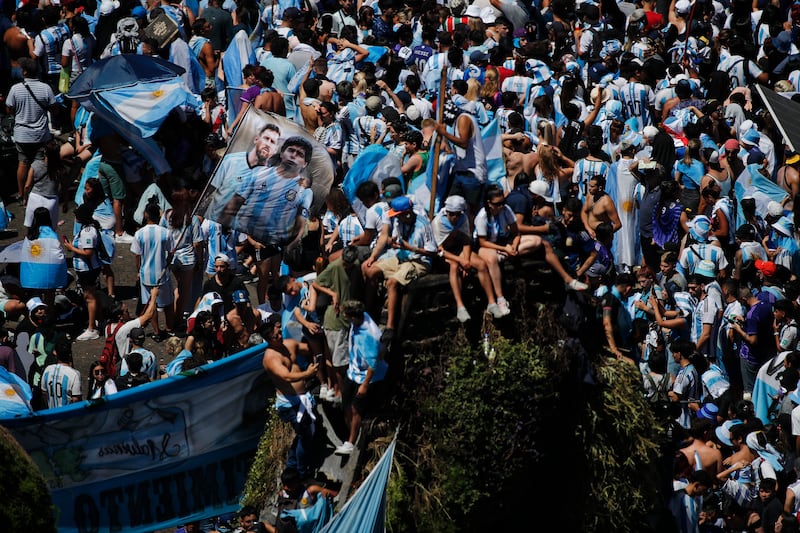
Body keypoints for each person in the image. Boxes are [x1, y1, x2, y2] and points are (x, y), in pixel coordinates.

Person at [363, 195, 436, 346]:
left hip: (418, 261)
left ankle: (390, 326)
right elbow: (394, 240)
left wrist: (411, 248)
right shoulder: (398, 222)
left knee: (392, 282)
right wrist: (391, 245)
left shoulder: (423, 225)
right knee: (371, 270)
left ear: (406, 213)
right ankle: (368, 311)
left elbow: (432, 252)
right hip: (401, 256)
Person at [261, 313, 321, 478]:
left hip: (303, 397)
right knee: (305, 435)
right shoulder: (270, 358)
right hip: (289, 404)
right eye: (275, 337)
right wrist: (307, 373)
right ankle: (302, 473)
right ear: (268, 339)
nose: (279, 337)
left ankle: (293, 466)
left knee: (305, 434)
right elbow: (286, 376)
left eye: (279, 333)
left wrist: (315, 335)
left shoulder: (288, 344)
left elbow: (309, 349)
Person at [335, 300, 387, 455]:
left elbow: (374, 363)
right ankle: (351, 434)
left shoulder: (368, 335)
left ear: (352, 316)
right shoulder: (358, 319)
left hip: (367, 376)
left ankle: (350, 443)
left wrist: (365, 385)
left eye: (346, 315)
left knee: (355, 409)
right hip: (353, 371)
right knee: (346, 405)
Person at [6, 57, 57, 204]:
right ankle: (38, 194)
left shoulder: (15, 89)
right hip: (41, 134)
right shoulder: (45, 88)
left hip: (22, 134)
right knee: (39, 164)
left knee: (23, 163)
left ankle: (22, 195)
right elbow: (54, 109)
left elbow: (9, 109)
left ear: (25, 72)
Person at [131, 203, 176, 341]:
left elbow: (137, 255)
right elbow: (171, 251)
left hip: (146, 275)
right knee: (168, 303)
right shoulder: (165, 233)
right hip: (162, 273)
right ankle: (169, 329)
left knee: (151, 304)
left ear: (146, 215)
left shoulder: (139, 234)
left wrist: (138, 270)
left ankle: (156, 332)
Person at [23, 140, 61, 228]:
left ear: (45, 152)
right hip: (52, 200)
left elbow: (27, 185)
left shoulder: (35, 165)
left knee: (32, 229)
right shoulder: (59, 167)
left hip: (35, 198)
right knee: (50, 230)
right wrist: (66, 202)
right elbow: (64, 185)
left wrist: (25, 198)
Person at [40, 338, 81, 409]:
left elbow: (44, 393)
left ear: (55, 352)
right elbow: (76, 399)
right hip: (67, 416)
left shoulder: (48, 370)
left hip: (52, 413)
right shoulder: (74, 374)